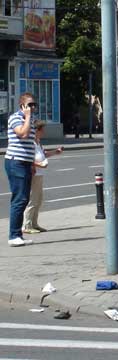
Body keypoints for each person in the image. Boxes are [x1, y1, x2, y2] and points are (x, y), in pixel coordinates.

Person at [4, 93, 37, 247]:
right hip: (15, 162)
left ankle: (18, 234)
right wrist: (28, 117)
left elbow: (31, 144)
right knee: (19, 198)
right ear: (22, 106)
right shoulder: (15, 118)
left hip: (25, 163)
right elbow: (22, 134)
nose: (32, 108)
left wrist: (32, 164)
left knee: (24, 198)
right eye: (29, 105)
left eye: (34, 105)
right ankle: (13, 235)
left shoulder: (30, 121)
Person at [22, 121, 64, 234]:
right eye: (42, 130)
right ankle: (26, 225)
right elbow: (27, 159)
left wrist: (55, 152)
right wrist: (39, 164)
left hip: (39, 174)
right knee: (32, 200)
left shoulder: (38, 142)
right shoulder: (30, 143)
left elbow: (43, 154)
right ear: (36, 131)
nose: (44, 132)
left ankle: (34, 224)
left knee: (38, 200)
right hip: (34, 174)